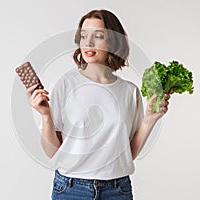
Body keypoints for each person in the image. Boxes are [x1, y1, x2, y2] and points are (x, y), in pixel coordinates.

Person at [27, 9, 170, 200]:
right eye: (84, 36)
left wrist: (149, 120)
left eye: (99, 36)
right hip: (71, 188)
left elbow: (128, 154)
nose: (88, 43)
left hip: (118, 190)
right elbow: (53, 152)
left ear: (113, 42)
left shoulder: (129, 91)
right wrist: (45, 115)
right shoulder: (65, 84)